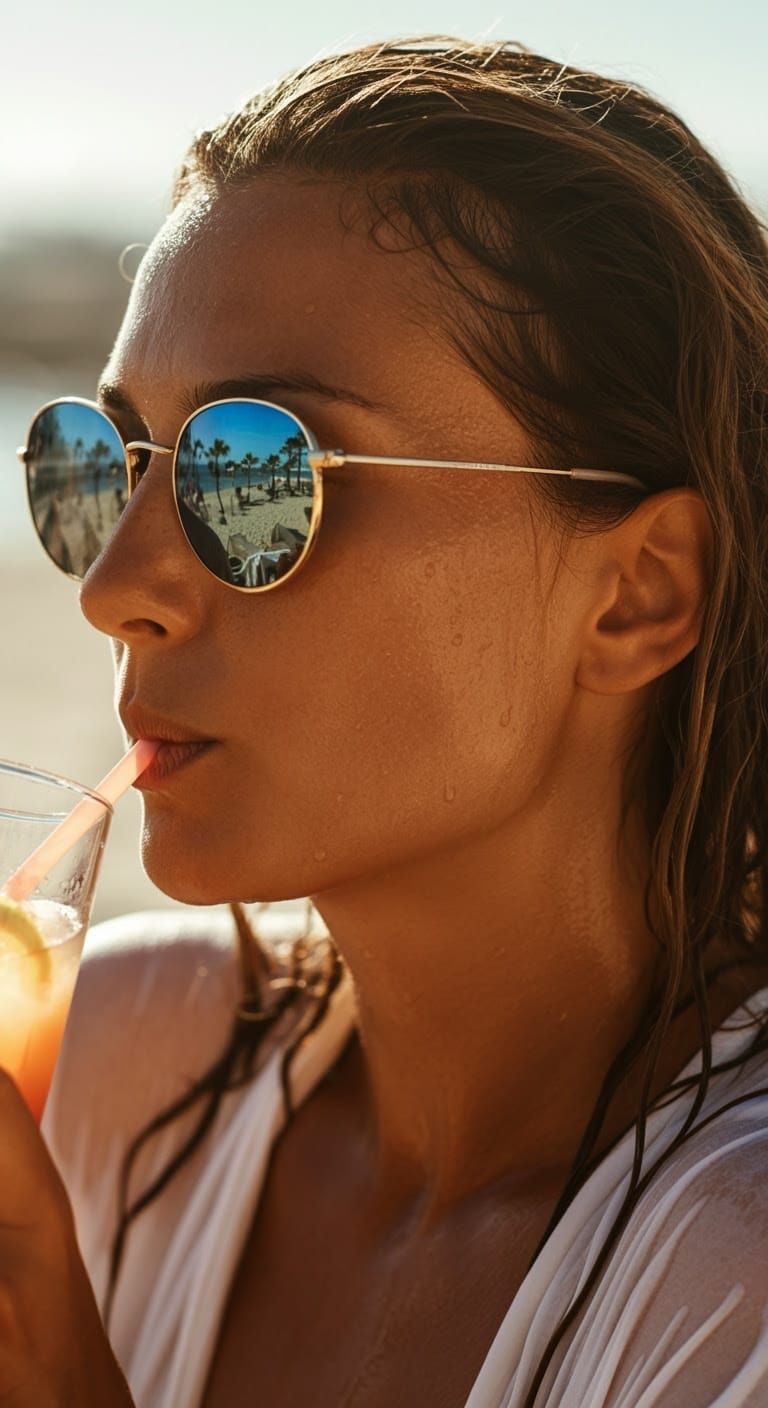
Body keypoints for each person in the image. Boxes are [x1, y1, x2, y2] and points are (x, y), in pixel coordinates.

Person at [4, 33, 768, 1408]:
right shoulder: (110, 1060)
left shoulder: (737, 1282)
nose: (116, 589)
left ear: (639, 595)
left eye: (257, 473)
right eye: (101, 467)